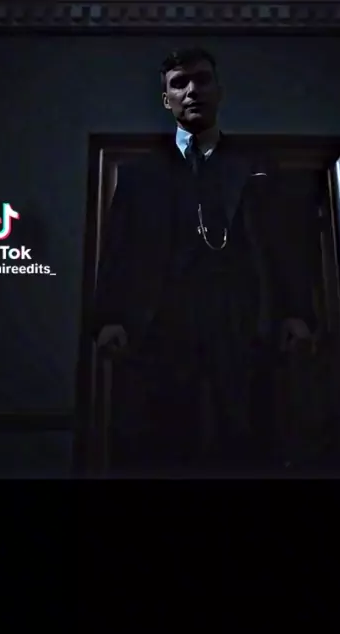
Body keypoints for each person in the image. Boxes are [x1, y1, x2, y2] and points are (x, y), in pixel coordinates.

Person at [93, 47, 315, 476]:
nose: (192, 90)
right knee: (164, 444)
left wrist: (296, 312)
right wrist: (109, 318)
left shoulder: (257, 167)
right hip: (161, 326)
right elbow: (119, 251)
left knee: (247, 440)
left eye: (202, 79)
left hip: (240, 323)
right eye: (179, 83)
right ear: (166, 100)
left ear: (219, 90)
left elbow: (284, 246)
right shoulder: (139, 176)